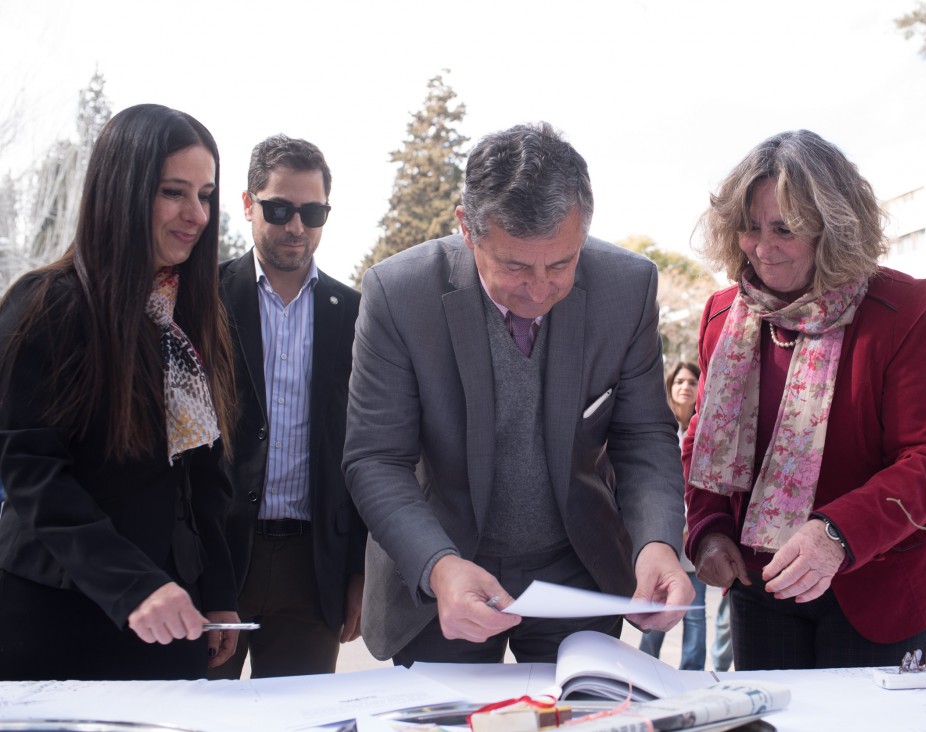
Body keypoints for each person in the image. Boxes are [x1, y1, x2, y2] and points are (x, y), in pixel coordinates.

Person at [344, 122, 692, 665]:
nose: (538, 288)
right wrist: (438, 565)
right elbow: (376, 459)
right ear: (467, 227)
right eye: (513, 265)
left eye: (560, 264)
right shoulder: (399, 294)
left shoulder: (627, 289)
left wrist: (657, 543)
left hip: (580, 571)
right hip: (447, 569)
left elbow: (643, 434)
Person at [684, 130, 926, 671]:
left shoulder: (903, 309)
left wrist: (837, 533)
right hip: (763, 586)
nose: (763, 248)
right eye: (750, 227)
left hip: (884, 586)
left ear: (834, 227)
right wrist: (709, 529)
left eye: (785, 229)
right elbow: (705, 440)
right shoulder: (723, 315)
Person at [0, 104, 240, 680]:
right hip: (56, 616)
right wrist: (133, 586)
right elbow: (33, 477)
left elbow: (203, 475)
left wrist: (219, 593)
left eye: (205, 195)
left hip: (170, 621)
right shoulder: (45, 306)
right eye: (173, 192)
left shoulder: (190, 318)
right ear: (122, 191)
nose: (197, 214)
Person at [212, 135, 365, 679]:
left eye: (312, 211)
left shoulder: (355, 314)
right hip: (219, 560)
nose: (296, 226)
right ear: (249, 204)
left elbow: (367, 451)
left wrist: (358, 572)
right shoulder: (203, 297)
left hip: (313, 568)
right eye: (279, 209)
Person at [640, 362, 709, 670]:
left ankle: (692, 673)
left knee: (695, 611)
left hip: (694, 535)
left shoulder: (706, 428)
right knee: (657, 608)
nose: (685, 387)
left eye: (692, 381)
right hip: (664, 534)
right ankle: (644, 669)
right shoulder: (658, 427)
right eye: (679, 381)